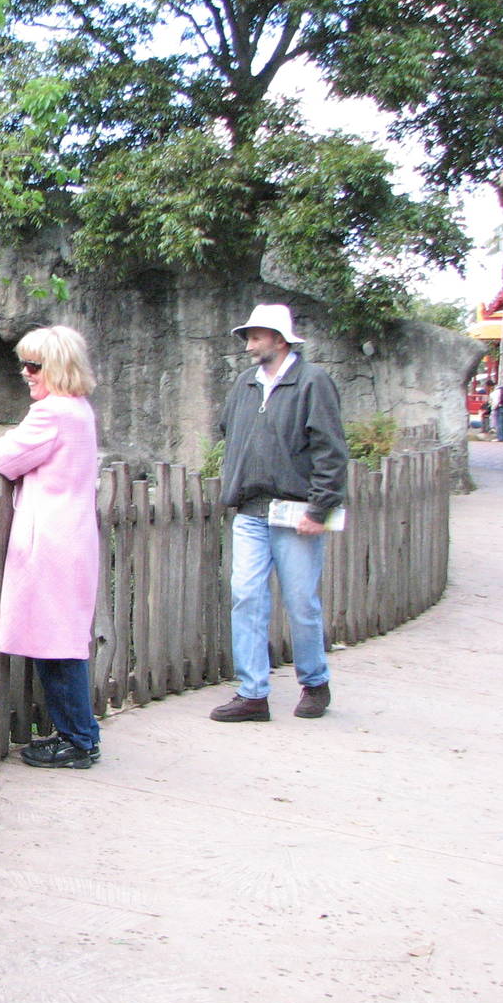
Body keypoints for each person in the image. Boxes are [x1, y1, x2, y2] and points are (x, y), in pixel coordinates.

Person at [210, 303, 348, 723]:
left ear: (279, 338)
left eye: (256, 336)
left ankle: (314, 681)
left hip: (296, 512)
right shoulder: (245, 383)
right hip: (250, 510)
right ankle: (252, 693)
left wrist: (319, 507)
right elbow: (226, 429)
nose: (249, 344)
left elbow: (331, 450)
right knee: (246, 596)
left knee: (300, 602)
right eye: (248, 336)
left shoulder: (313, 382)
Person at [0, 325, 102, 768]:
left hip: (52, 540)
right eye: (24, 364)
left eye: (33, 365)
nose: (25, 373)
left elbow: (1, 457)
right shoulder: (79, 409)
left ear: (55, 367)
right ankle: (77, 732)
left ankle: (78, 739)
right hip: (68, 536)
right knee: (61, 637)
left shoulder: (53, 413)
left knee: (59, 645)